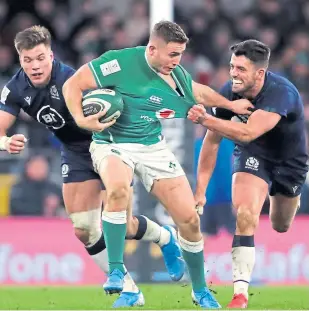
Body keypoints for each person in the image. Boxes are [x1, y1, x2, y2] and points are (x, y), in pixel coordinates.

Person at [63, 20, 253, 309]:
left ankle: (199, 290)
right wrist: (80, 119)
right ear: (152, 49)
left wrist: (231, 105)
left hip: (152, 146)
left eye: (180, 55)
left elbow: (198, 91)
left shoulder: (175, 76)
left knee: (189, 220)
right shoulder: (118, 62)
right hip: (111, 143)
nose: (177, 61)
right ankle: (116, 270)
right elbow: (72, 84)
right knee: (116, 190)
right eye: (172, 54)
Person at [0, 25, 187, 308]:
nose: (35, 66)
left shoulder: (73, 79)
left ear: (51, 55)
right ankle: (130, 290)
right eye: (28, 60)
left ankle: (164, 237)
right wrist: (5, 143)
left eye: (40, 58)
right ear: (20, 60)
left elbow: (118, 98)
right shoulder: (15, 89)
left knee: (121, 225)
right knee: (84, 230)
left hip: (108, 144)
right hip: (75, 152)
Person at [188, 39, 309, 309]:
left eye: (241, 69)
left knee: (280, 224)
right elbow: (212, 141)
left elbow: (247, 131)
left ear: (260, 73)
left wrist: (204, 118)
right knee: (245, 213)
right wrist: (200, 191)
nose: (233, 73)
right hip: (253, 154)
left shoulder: (281, 93)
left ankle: (289, 196)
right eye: (232, 67)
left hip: (290, 162)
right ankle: (240, 294)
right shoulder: (229, 92)